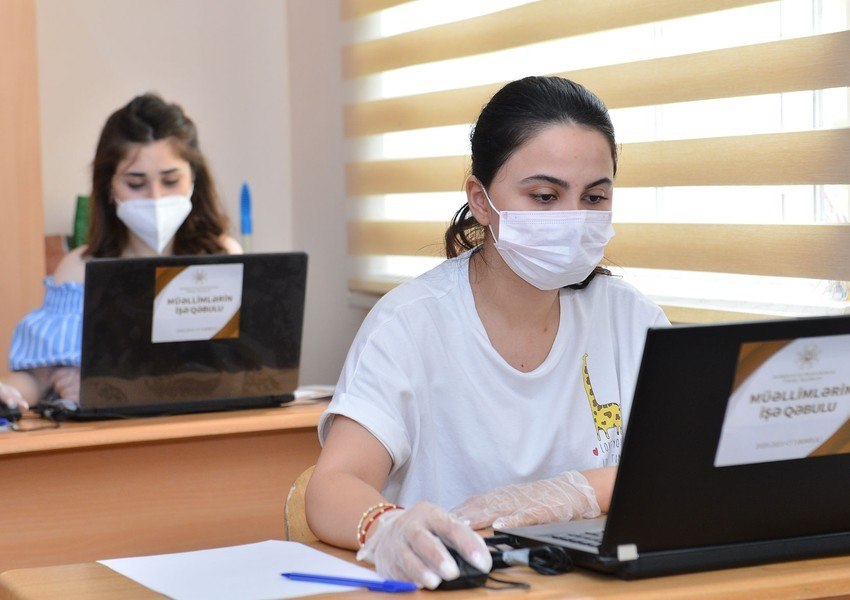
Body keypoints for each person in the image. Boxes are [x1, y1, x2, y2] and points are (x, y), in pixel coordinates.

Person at [305, 76, 670, 589]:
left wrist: (572, 493)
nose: (571, 219)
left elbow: (681, 473)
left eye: (594, 197)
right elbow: (331, 486)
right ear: (480, 199)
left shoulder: (631, 319)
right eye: (544, 196)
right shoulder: (410, 322)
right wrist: (387, 525)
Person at [0, 93, 242, 410]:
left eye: (170, 181)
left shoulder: (223, 256)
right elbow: (37, 377)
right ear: (109, 187)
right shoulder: (79, 269)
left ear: (194, 179)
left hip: (209, 432)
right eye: (136, 183)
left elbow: (245, 368)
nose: (155, 197)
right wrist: (8, 394)